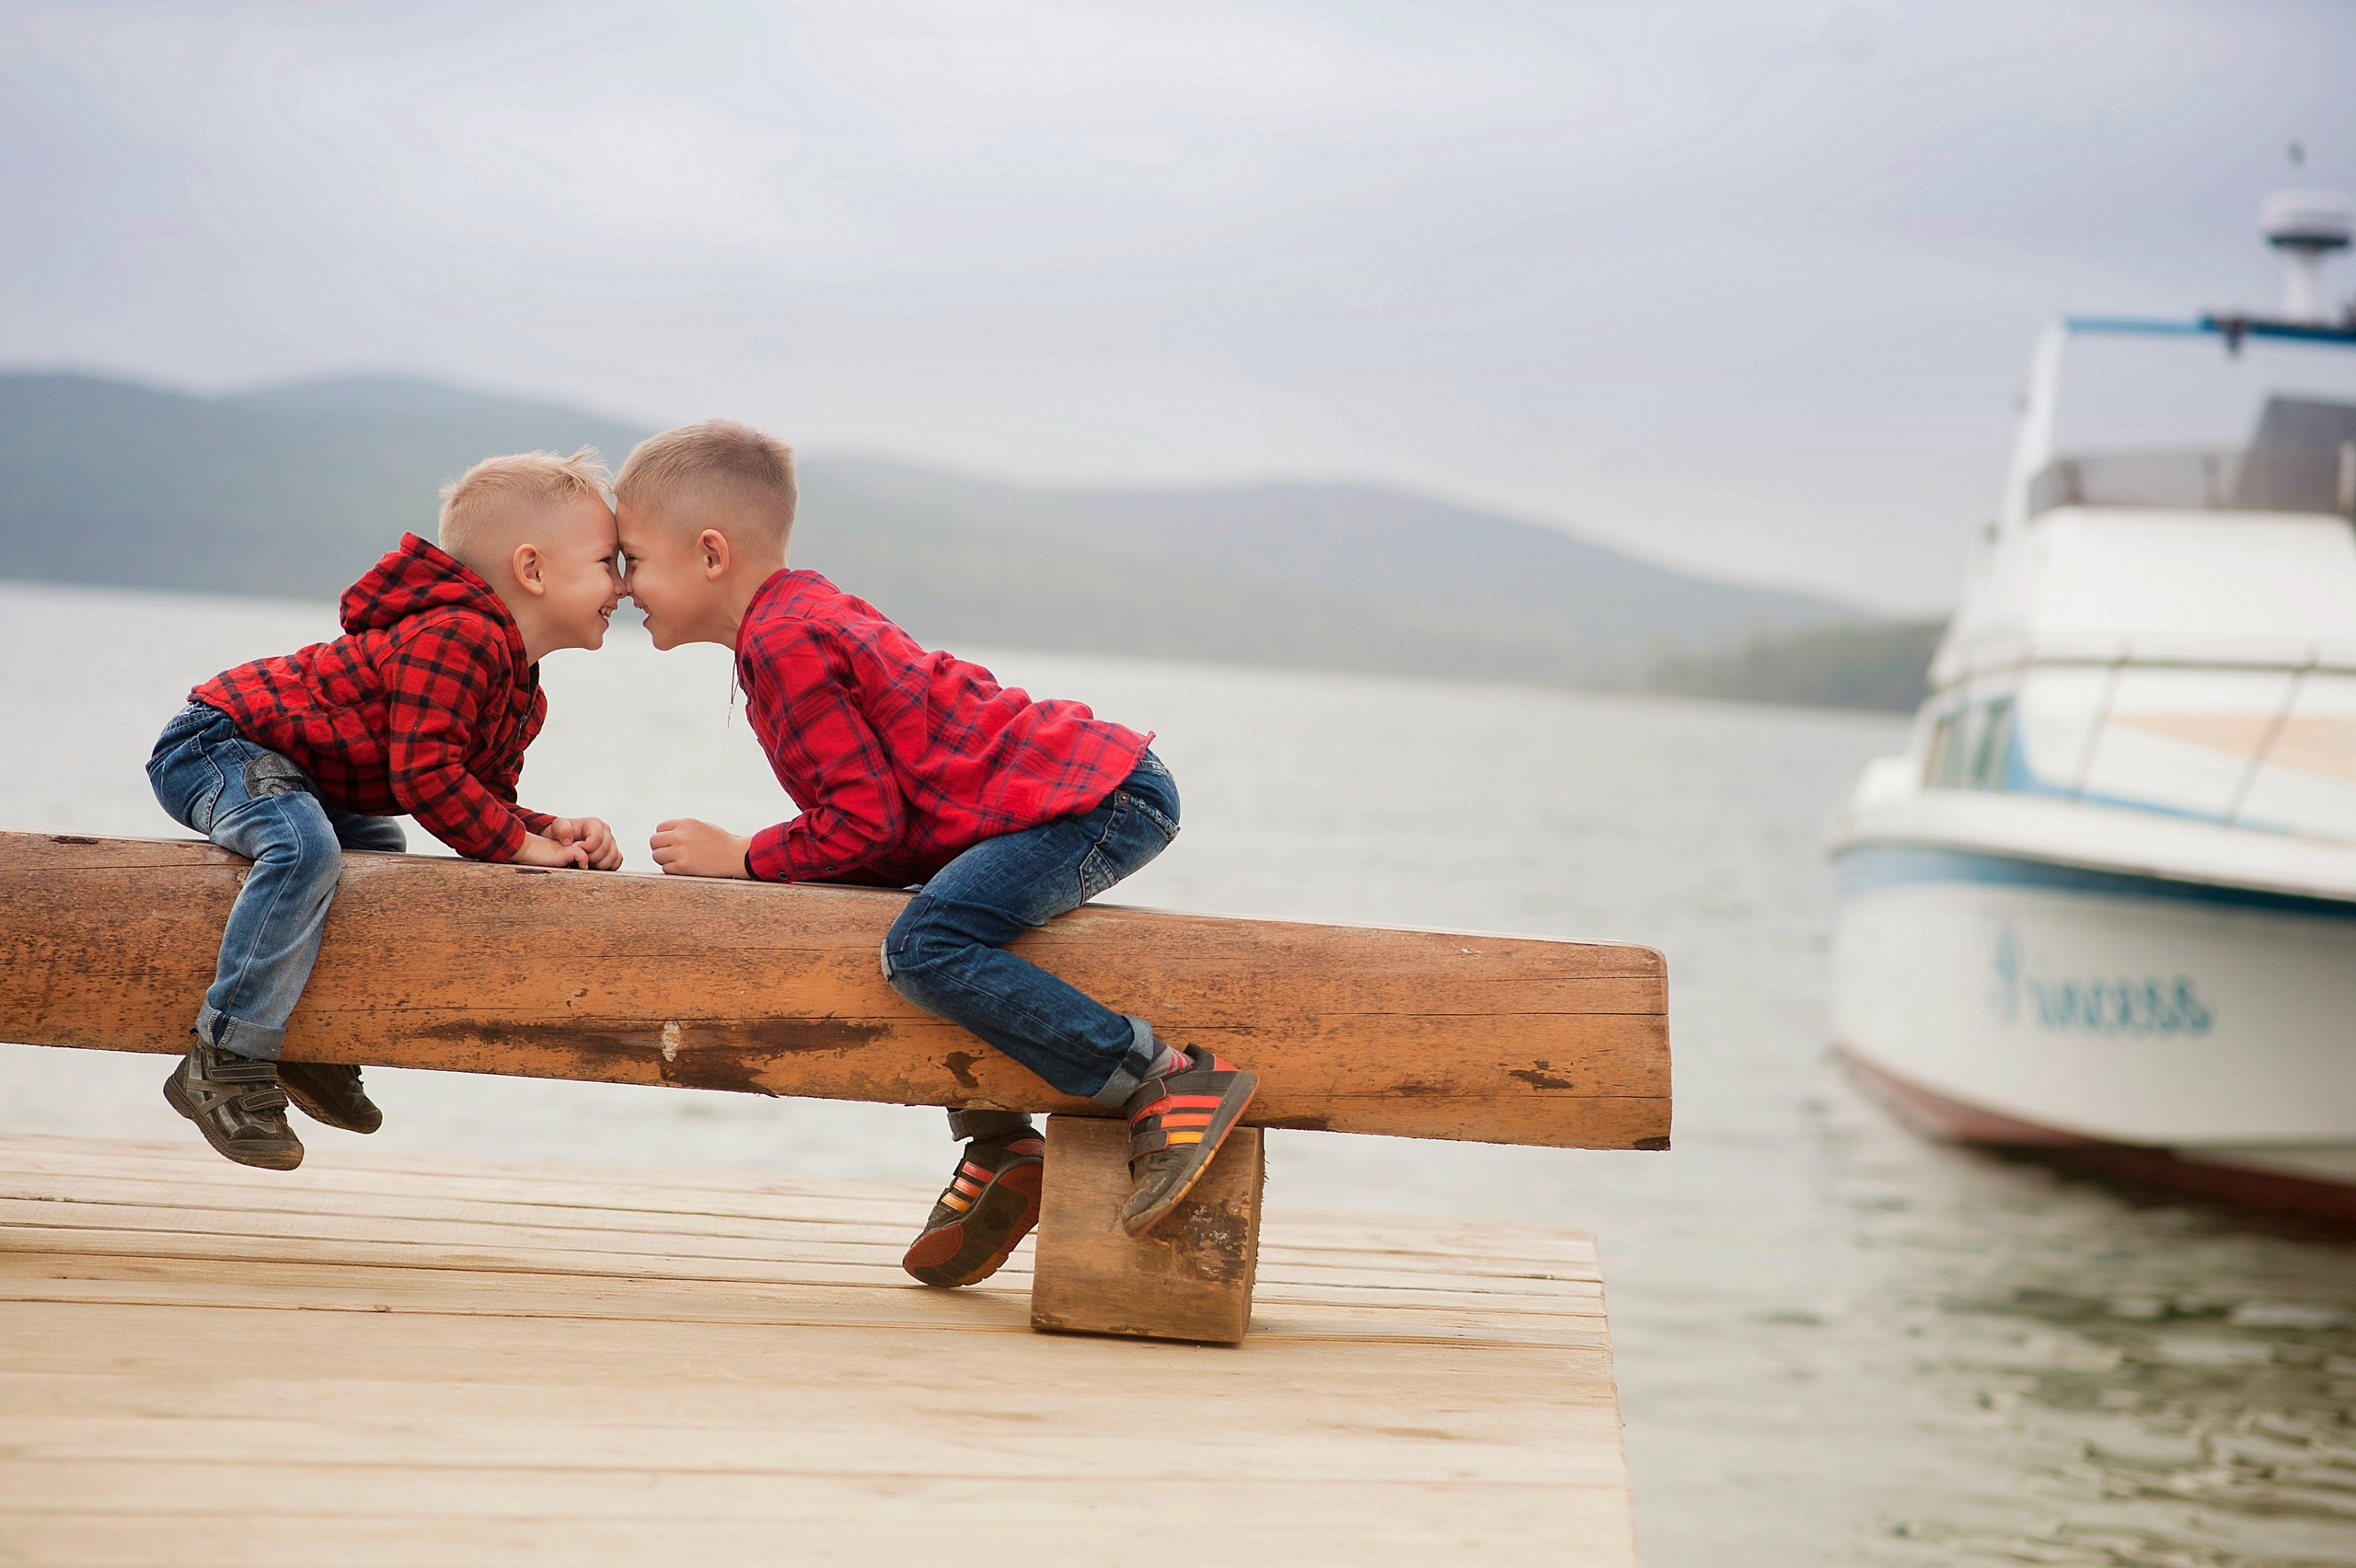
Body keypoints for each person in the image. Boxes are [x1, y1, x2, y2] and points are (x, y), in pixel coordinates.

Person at [617, 420, 1256, 1287]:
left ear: (711, 554)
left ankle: (1163, 1080)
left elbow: (864, 826)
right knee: (909, 926)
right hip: (1070, 794)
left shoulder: (783, 640)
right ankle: (1000, 1147)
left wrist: (744, 856)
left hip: (1100, 799)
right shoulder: (794, 614)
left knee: (925, 945)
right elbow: (880, 830)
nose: (624, 586)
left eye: (634, 559)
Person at [145, 449, 626, 1170]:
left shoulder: (519, 682)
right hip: (220, 742)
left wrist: (545, 831)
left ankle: (313, 1045)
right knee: (303, 851)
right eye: (607, 563)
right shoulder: (457, 635)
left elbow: (476, 799)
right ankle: (225, 1055)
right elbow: (427, 774)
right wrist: (518, 845)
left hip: (306, 774)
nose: (623, 584)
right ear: (533, 570)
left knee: (375, 856)